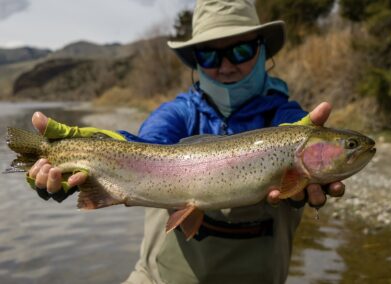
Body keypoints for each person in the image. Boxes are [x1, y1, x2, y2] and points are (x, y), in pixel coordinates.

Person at [27, 0, 345, 283]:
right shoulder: (178, 114)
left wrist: (299, 159)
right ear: (195, 62)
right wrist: (89, 153)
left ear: (262, 50)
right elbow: (142, 146)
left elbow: (291, 132)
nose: (225, 65)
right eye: (209, 54)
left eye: (241, 50)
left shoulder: (286, 119)